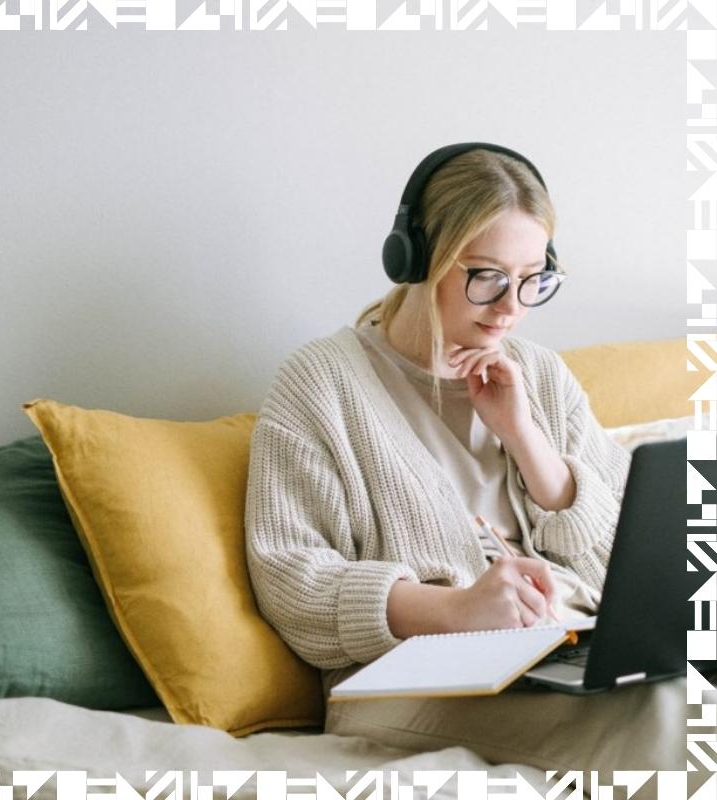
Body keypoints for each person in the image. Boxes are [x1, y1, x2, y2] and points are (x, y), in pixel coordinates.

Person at [243, 143, 692, 791]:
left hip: (565, 650)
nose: (511, 306)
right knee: (666, 724)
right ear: (418, 259)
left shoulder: (538, 373)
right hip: (409, 683)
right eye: (486, 275)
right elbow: (294, 585)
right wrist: (457, 609)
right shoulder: (322, 384)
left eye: (533, 278)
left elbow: (622, 557)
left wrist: (526, 436)